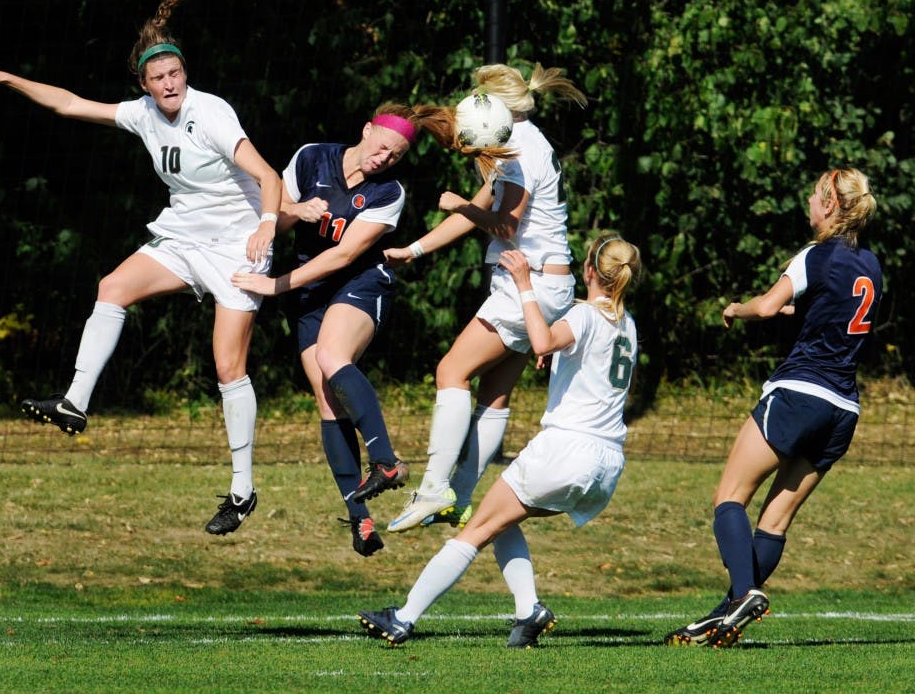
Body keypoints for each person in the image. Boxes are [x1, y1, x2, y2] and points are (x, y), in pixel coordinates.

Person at [0, 0, 282, 537]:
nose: (169, 83)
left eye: (175, 73)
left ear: (185, 73)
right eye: (158, 78)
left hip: (237, 247)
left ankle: (242, 489)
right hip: (183, 239)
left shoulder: (213, 113)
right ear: (145, 84)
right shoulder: (143, 114)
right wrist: (6, 77)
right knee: (112, 286)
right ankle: (75, 403)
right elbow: (67, 104)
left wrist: (269, 224)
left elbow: (268, 176)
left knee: (228, 367)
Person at [358, 235, 642, 646]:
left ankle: (403, 618)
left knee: (476, 529)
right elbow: (567, 348)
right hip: (607, 462)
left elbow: (545, 340)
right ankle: (528, 611)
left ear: (590, 272)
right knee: (503, 520)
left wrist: (525, 283)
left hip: (566, 450)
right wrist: (552, 347)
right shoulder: (627, 325)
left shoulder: (582, 316)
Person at [665, 168, 881, 648]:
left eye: (813, 194)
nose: (807, 200)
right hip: (843, 409)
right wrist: (790, 311)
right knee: (775, 520)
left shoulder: (814, 255)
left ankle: (743, 594)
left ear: (829, 205)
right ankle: (726, 615)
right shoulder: (871, 264)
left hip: (798, 394)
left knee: (728, 498)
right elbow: (831, 314)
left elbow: (765, 307)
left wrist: (737, 308)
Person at [232, 103, 452, 556]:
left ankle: (387, 462)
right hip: (307, 287)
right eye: (383, 147)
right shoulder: (313, 156)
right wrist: (296, 210)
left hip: (359, 281)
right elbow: (272, 213)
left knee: (334, 358)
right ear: (367, 130)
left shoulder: (388, 192)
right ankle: (361, 518)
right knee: (328, 402)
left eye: (396, 155)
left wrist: (274, 286)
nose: (385, 159)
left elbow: (344, 256)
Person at [383, 62, 587, 534]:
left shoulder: (519, 154)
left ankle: (434, 488)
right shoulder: (523, 142)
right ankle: (461, 496)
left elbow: (503, 224)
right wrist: (415, 249)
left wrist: (458, 203)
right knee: (494, 396)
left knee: (450, 371)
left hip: (526, 284)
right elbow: (483, 209)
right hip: (543, 283)